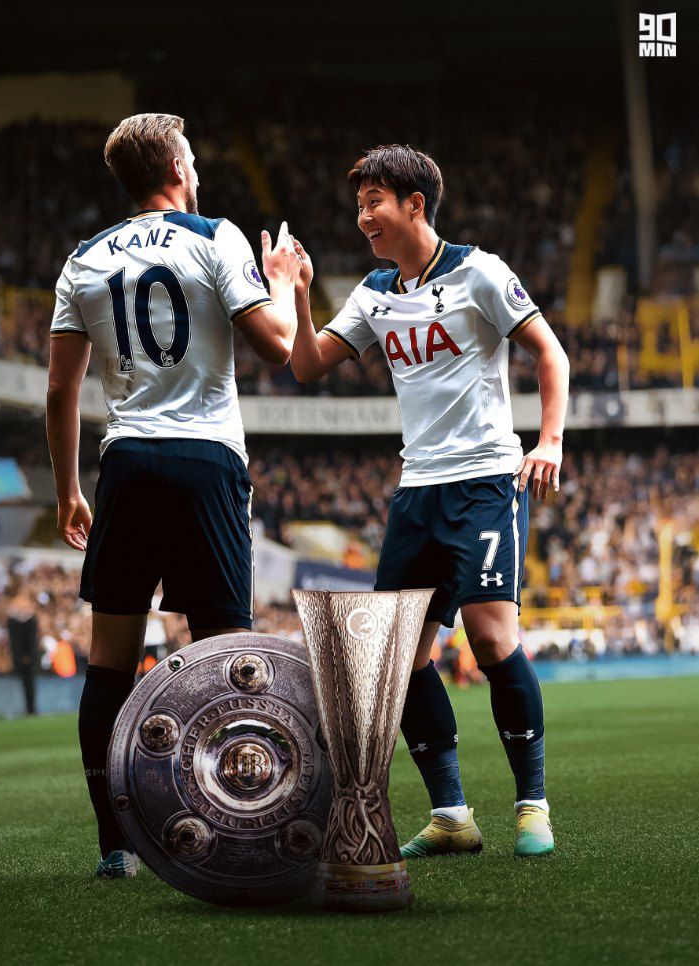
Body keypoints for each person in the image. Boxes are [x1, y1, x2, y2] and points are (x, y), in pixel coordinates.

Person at [290, 144, 569, 858]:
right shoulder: (373, 292)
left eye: (374, 203)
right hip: (416, 490)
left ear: (415, 204)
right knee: (399, 658)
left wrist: (549, 441)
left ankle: (532, 806)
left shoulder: (480, 272)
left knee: (491, 638)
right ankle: (451, 815)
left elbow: (550, 352)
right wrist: (296, 290)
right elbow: (307, 365)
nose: (363, 218)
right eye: (359, 205)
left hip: (484, 482)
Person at [46, 113, 300, 879]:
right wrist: (282, 281)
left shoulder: (83, 258)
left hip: (126, 464)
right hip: (204, 460)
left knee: (109, 664)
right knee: (226, 658)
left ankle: (114, 846)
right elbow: (278, 346)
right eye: (191, 157)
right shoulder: (215, 236)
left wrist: (68, 490)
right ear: (177, 170)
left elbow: (60, 390)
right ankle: (234, 826)